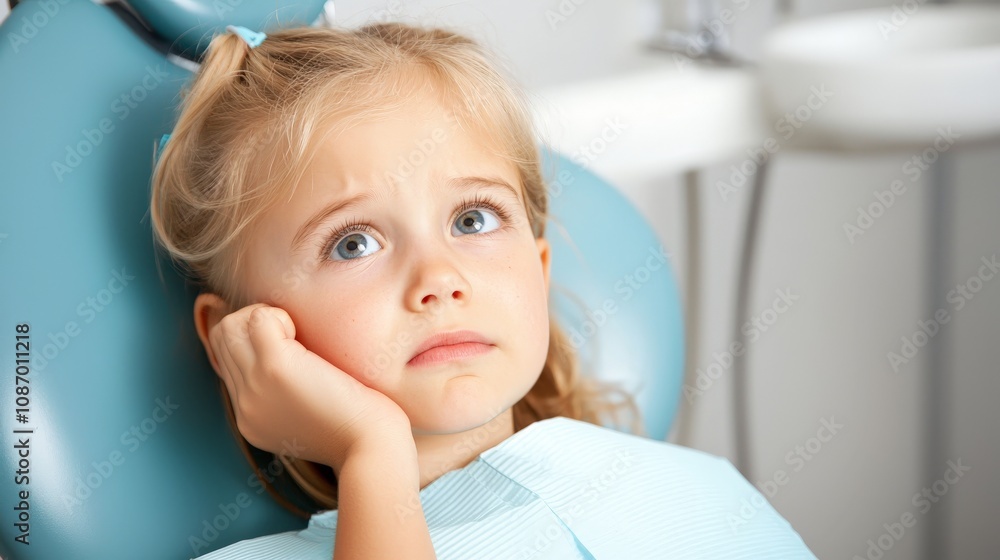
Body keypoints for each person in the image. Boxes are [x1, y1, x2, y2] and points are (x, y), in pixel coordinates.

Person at [150, 22, 815, 560]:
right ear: (238, 334)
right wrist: (373, 452)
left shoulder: (696, 490)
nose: (439, 279)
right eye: (352, 243)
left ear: (541, 265)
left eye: (472, 219)